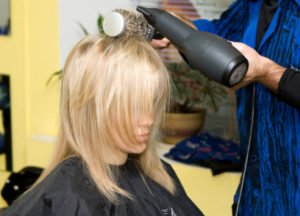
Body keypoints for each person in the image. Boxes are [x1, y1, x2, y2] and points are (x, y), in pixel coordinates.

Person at [1, 34, 203, 215]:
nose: (149, 119)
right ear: (93, 107)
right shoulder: (72, 193)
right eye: (134, 106)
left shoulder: (160, 175)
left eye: (152, 102)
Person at [153, 0, 300, 215]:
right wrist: (180, 30)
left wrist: (266, 72)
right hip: (254, 198)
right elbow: (217, 36)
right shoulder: (250, 6)